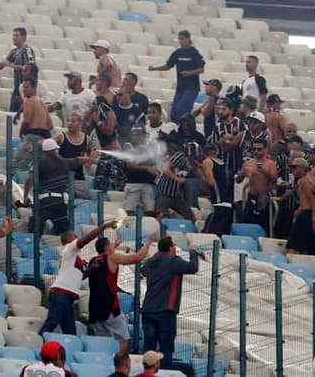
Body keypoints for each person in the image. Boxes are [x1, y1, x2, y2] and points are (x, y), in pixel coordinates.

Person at [40, 221, 118, 335]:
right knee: (52, 322)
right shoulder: (69, 248)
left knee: (70, 331)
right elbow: (86, 239)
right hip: (61, 293)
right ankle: (39, 342)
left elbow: (80, 277)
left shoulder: (74, 257)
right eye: (75, 236)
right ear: (68, 240)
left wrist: (91, 268)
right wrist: (103, 227)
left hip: (68, 297)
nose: (77, 237)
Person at [88, 235, 155, 352]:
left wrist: (116, 244)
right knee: (122, 338)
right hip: (109, 307)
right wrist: (148, 243)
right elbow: (138, 257)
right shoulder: (112, 257)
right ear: (107, 248)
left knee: (102, 341)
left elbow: (106, 251)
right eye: (111, 244)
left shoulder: (94, 261)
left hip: (94, 308)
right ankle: (121, 362)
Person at [141, 236, 199, 369]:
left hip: (148, 309)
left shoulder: (150, 262)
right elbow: (193, 267)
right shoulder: (173, 262)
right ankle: (164, 373)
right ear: (171, 248)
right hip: (165, 311)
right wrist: (192, 252)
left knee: (148, 349)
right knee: (165, 349)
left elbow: (143, 270)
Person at [23, 138, 94, 234]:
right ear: (55, 150)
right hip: (60, 203)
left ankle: (34, 247)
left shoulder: (38, 162)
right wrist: (90, 158)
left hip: (43, 202)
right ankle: (67, 246)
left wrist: (25, 196)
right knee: (65, 232)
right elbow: (79, 160)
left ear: (44, 151)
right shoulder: (65, 162)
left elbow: (29, 179)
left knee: (35, 232)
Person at [148, 30, 205, 122]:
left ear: (188, 39)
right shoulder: (177, 53)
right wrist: (155, 68)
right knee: (174, 113)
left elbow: (201, 69)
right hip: (180, 87)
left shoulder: (194, 53)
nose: (180, 41)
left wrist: (189, 73)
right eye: (179, 39)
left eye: (182, 39)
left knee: (182, 112)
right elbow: (168, 66)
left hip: (191, 88)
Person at [0, 27, 36, 112]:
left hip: (26, 87)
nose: (14, 38)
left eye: (16, 36)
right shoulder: (14, 51)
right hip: (17, 86)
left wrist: (11, 65)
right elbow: (1, 66)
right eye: (13, 36)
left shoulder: (28, 51)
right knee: (12, 111)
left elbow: (30, 68)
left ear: (23, 37)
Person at [155, 134, 195, 223]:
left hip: (177, 195)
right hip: (165, 193)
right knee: (160, 215)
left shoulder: (186, 160)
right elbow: (165, 168)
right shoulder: (178, 156)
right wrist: (176, 178)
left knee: (191, 217)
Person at [286, 158, 315, 255]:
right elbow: (293, 191)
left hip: (307, 215)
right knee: (310, 249)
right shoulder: (303, 180)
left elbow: (313, 201)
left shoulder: (307, 181)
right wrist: (280, 199)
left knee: (292, 248)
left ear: (302, 168)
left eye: (295, 168)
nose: (293, 171)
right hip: (306, 214)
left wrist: (314, 220)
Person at [52, 113, 92, 200]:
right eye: (68, 121)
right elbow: (48, 145)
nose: (69, 123)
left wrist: (90, 159)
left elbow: (89, 160)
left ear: (79, 123)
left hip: (79, 178)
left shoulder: (87, 139)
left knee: (87, 200)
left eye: (73, 121)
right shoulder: (61, 137)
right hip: (63, 179)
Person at [122, 127, 158, 215]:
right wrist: (147, 168)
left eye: (140, 134)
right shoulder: (129, 147)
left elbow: (155, 167)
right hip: (133, 183)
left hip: (148, 184)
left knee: (150, 211)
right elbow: (130, 165)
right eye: (135, 134)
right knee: (129, 211)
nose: (137, 137)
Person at [201, 143, 234, 236]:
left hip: (219, 201)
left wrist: (203, 179)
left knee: (209, 234)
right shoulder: (223, 163)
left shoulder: (207, 162)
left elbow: (210, 182)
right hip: (228, 202)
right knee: (222, 235)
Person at [115, 80, 147, 145]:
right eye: (117, 95)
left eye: (120, 95)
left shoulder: (138, 113)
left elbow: (140, 134)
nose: (117, 97)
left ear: (128, 95)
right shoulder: (112, 110)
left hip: (132, 145)